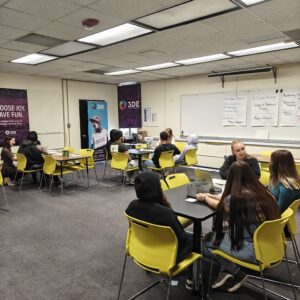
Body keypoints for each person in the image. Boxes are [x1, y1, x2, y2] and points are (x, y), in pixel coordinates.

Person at [200, 161, 280, 292]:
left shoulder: (237, 198)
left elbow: (221, 206)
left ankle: (236, 273)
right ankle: (226, 270)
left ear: (231, 178)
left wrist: (204, 198)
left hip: (253, 251)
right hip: (272, 245)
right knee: (226, 233)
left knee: (208, 239)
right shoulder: (265, 193)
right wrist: (208, 195)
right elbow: (224, 203)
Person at [125, 172, 194, 289]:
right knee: (197, 239)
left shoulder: (131, 206)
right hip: (168, 256)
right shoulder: (166, 214)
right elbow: (181, 240)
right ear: (157, 188)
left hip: (141, 250)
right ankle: (191, 280)